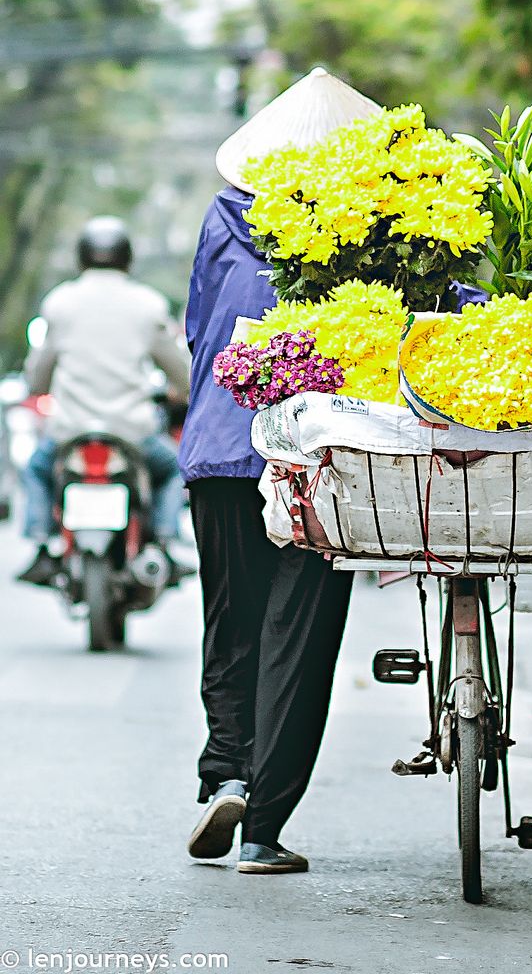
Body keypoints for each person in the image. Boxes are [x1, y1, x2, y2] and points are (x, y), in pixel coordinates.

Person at [180, 68, 379, 875]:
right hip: (320, 451)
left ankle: (225, 767)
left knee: (230, 616)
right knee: (296, 634)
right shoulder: (381, 226)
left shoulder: (226, 216)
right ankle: (264, 828)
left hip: (223, 446)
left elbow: (200, 329)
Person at [18, 216, 190, 585]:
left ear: (81, 256)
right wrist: (184, 391)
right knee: (174, 469)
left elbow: (38, 375)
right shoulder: (148, 304)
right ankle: (163, 541)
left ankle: (41, 545)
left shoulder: (60, 302)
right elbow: (180, 371)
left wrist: (39, 387)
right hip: (132, 431)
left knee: (36, 469)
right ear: (127, 257)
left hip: (70, 430)